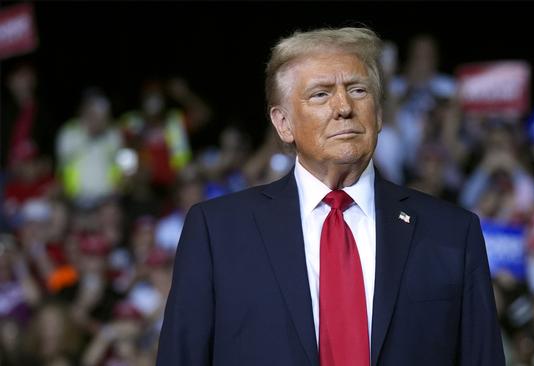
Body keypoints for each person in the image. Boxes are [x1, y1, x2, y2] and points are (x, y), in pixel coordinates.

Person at [157, 27, 504, 366]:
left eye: (358, 90)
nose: (343, 107)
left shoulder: (453, 233)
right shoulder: (218, 233)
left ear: (379, 113)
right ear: (283, 123)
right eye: (321, 94)